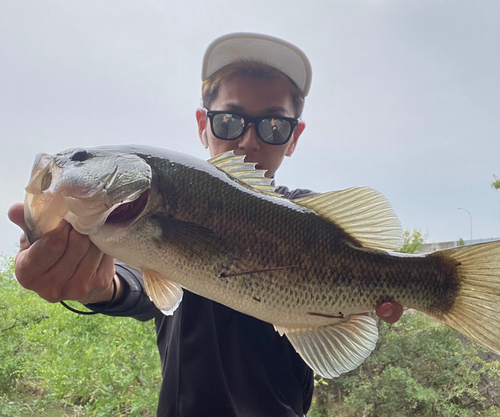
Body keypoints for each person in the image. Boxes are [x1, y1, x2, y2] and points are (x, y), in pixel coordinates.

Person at [8, 32, 403, 417]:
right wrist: (99, 287)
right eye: (230, 120)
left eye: (274, 126)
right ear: (203, 123)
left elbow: (367, 276)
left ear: (294, 136)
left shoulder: (310, 217)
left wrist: (397, 285)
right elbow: (133, 283)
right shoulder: (142, 216)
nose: (249, 140)